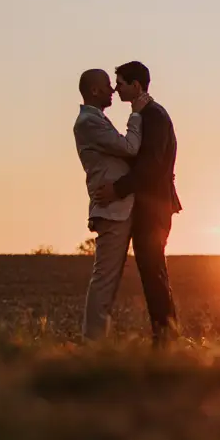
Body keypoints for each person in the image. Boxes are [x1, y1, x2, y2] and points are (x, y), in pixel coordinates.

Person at [94, 61, 181, 345]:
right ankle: (166, 336)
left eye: (120, 83)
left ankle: (165, 338)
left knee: (153, 272)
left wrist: (117, 189)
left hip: (154, 208)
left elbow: (151, 166)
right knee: (153, 272)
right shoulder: (147, 114)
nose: (116, 89)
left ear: (136, 85)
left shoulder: (153, 116)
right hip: (151, 206)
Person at [73, 68, 150, 340]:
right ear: (95, 90)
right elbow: (129, 147)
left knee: (109, 281)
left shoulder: (96, 119)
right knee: (105, 280)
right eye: (108, 85)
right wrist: (136, 114)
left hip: (119, 207)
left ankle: (98, 342)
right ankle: (93, 342)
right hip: (112, 210)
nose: (113, 91)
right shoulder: (89, 123)